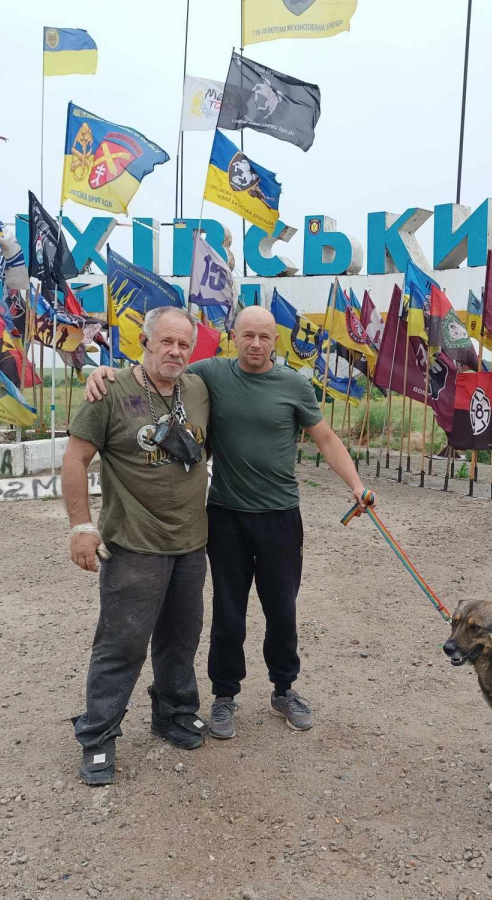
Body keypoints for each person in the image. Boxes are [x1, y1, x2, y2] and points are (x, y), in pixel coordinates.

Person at [84, 304, 368, 739]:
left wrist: (355, 484)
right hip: (225, 516)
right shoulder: (210, 374)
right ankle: (223, 696)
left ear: (276, 341)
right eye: (247, 335)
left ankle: (284, 689)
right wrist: (105, 372)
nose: (256, 344)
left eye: (265, 337)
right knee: (228, 612)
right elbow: (157, 367)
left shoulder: (294, 384)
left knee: (282, 609)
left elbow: (326, 438)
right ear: (233, 336)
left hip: (280, 516)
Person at [64, 306, 211, 786]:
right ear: (144, 342)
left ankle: (173, 714)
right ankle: (99, 736)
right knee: (122, 643)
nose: (174, 351)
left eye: (184, 344)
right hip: (133, 543)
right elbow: (75, 458)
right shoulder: (109, 392)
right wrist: (81, 527)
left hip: (190, 544)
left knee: (180, 640)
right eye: (165, 342)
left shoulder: (198, 387)